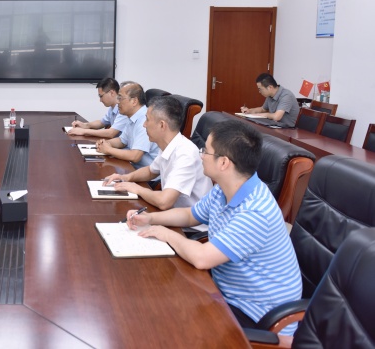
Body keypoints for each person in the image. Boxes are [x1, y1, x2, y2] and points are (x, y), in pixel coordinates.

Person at [125, 120, 302, 335]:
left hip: (257, 315)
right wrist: (151, 219)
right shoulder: (226, 188)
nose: (200, 155)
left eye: (205, 151)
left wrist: (166, 234)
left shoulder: (256, 212)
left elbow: (202, 258)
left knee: (166, 319)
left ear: (224, 162)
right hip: (226, 291)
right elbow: (190, 215)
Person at [103, 96, 212, 210]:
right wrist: (125, 178)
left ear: (162, 125)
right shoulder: (169, 145)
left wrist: (137, 189)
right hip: (174, 214)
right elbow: (150, 171)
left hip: (190, 220)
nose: (144, 124)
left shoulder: (185, 154)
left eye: (147, 119)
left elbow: (164, 201)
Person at [96, 81, 160, 169]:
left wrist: (109, 150)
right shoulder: (132, 117)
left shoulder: (145, 120)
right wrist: (106, 143)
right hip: (132, 167)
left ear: (134, 101)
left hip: (147, 173)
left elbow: (135, 156)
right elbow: (122, 141)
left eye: (120, 98)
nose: (117, 102)